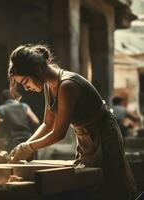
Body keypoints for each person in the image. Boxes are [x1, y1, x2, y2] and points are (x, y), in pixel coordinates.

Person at [7, 44, 136, 200]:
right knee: (92, 186)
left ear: (37, 71)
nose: (26, 88)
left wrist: (29, 147)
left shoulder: (67, 85)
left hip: (103, 135)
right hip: (85, 136)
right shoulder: (49, 86)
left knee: (109, 188)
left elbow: (59, 133)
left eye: (26, 81)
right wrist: (24, 146)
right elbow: (47, 124)